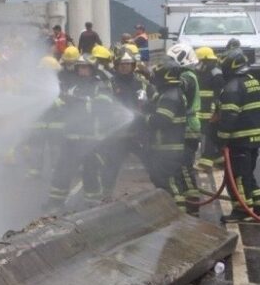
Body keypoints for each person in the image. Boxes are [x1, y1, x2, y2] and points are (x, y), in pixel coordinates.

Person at [47, 55, 116, 209]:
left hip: (92, 138)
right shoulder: (73, 86)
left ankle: (92, 204)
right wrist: (58, 104)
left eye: (85, 67)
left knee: (91, 172)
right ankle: (55, 201)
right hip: (71, 136)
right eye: (80, 67)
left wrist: (79, 104)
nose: (82, 71)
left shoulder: (100, 85)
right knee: (62, 169)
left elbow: (104, 106)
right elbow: (63, 104)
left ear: (92, 69)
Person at [99, 47, 153, 200]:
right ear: (116, 65)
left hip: (139, 134)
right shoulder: (109, 83)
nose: (125, 67)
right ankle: (106, 197)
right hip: (118, 136)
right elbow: (102, 105)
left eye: (128, 64)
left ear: (133, 65)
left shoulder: (142, 83)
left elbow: (155, 100)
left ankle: (162, 194)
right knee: (111, 167)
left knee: (152, 164)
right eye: (122, 64)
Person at [215, 48, 260, 222]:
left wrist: (221, 137)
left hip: (239, 139)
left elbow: (229, 116)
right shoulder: (252, 80)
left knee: (237, 176)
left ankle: (242, 210)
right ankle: (256, 205)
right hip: (254, 138)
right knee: (248, 174)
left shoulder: (232, 87)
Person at [145, 59, 190, 207]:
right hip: (165, 147)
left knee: (170, 185)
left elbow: (161, 121)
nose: (154, 77)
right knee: (162, 182)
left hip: (169, 148)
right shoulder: (169, 93)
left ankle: (178, 219)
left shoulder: (170, 96)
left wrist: (144, 118)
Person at [167, 44, 201, 202]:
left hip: (189, 127)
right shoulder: (188, 74)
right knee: (180, 165)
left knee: (184, 165)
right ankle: (187, 197)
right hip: (186, 125)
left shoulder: (186, 76)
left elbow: (176, 90)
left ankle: (192, 200)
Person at [195, 47, 225, 171]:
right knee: (209, 134)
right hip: (202, 110)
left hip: (210, 111)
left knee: (207, 135)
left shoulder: (216, 73)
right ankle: (220, 159)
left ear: (205, 60)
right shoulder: (201, 72)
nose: (197, 64)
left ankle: (206, 163)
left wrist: (217, 112)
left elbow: (220, 95)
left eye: (199, 61)